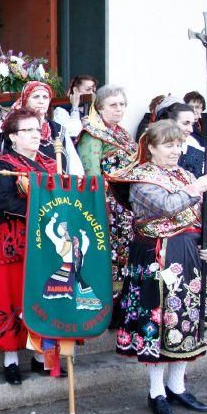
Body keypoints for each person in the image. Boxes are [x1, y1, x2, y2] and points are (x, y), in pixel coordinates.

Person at [112, 120, 207, 414]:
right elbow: (165, 206)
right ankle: (156, 391)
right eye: (168, 145)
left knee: (188, 318)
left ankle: (178, 385)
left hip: (191, 256)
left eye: (178, 145)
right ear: (152, 148)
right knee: (157, 320)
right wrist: (195, 189)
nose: (175, 151)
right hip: (156, 256)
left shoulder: (185, 174)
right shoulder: (141, 179)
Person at [0, 108, 62, 384]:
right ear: (13, 137)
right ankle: (11, 360)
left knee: (45, 295)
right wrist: (41, 210)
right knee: (12, 296)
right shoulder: (0, 165)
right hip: (15, 240)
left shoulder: (51, 162)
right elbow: (3, 202)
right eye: (27, 130)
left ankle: (43, 357)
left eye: (36, 129)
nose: (34, 135)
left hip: (48, 241)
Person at [77, 85, 138, 307]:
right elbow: (91, 174)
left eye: (122, 104)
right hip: (107, 205)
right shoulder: (92, 133)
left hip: (127, 205)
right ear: (100, 107)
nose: (118, 109)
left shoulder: (122, 133)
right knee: (107, 255)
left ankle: (122, 303)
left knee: (125, 256)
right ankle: (105, 305)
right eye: (113, 105)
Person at [5, 80, 83, 176]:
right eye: (36, 97)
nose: (41, 101)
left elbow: (74, 165)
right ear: (25, 99)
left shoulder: (58, 130)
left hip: (59, 187)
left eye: (45, 97)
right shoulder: (15, 128)